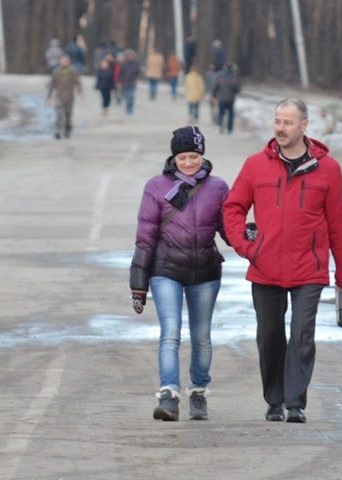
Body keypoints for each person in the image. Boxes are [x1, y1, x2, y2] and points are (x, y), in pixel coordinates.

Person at [222, 98, 342, 424]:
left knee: (301, 334)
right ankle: (274, 399)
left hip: (308, 268)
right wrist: (246, 246)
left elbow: (338, 223)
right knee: (269, 337)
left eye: (288, 122)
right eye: (278, 121)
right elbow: (232, 208)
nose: (280, 128)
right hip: (264, 266)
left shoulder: (328, 170)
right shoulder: (256, 165)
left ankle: (295, 402)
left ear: (304, 126)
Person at [130, 126, 230, 421]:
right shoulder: (156, 187)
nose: (189, 163)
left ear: (202, 155)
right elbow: (145, 235)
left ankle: (198, 393)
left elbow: (229, 229)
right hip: (166, 270)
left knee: (201, 337)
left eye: (194, 156)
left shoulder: (218, 187)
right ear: (174, 157)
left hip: (206, 272)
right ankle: (168, 396)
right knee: (170, 333)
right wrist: (138, 282)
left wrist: (254, 239)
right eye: (183, 157)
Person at [47, 54, 83, 139]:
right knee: (59, 114)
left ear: (69, 62)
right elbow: (52, 84)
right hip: (59, 96)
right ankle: (58, 130)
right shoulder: (56, 71)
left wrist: (80, 91)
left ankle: (67, 129)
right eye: (63, 61)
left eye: (66, 61)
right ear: (60, 61)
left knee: (68, 115)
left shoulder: (73, 71)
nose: (64, 62)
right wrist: (49, 95)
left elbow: (78, 82)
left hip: (69, 97)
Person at [213, 63, 241, 134]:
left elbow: (216, 86)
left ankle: (221, 124)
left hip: (221, 98)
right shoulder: (234, 77)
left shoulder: (220, 77)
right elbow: (237, 89)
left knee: (221, 113)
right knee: (230, 114)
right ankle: (229, 128)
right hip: (231, 99)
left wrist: (214, 94)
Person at [118, 49, 140, 115]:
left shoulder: (136, 64)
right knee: (126, 96)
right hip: (124, 82)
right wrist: (119, 81)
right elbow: (120, 73)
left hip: (132, 82)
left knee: (131, 96)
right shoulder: (124, 64)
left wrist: (133, 76)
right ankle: (127, 106)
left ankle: (130, 108)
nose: (130, 57)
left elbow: (138, 72)